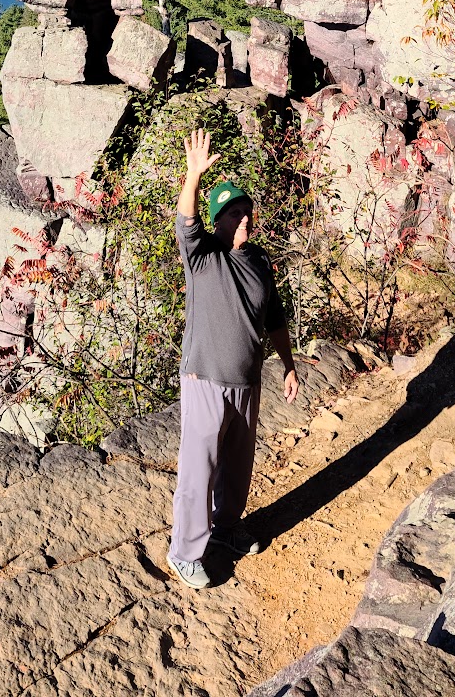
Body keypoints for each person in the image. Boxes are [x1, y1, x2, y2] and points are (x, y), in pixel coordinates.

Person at [167, 127, 300, 591]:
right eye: (233, 213)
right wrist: (193, 175)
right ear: (217, 220)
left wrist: (287, 363)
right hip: (205, 377)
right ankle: (184, 552)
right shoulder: (204, 256)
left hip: (247, 381)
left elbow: (275, 318)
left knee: (238, 467)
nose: (244, 218)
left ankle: (226, 530)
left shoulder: (260, 261)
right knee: (198, 468)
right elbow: (185, 220)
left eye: (246, 211)